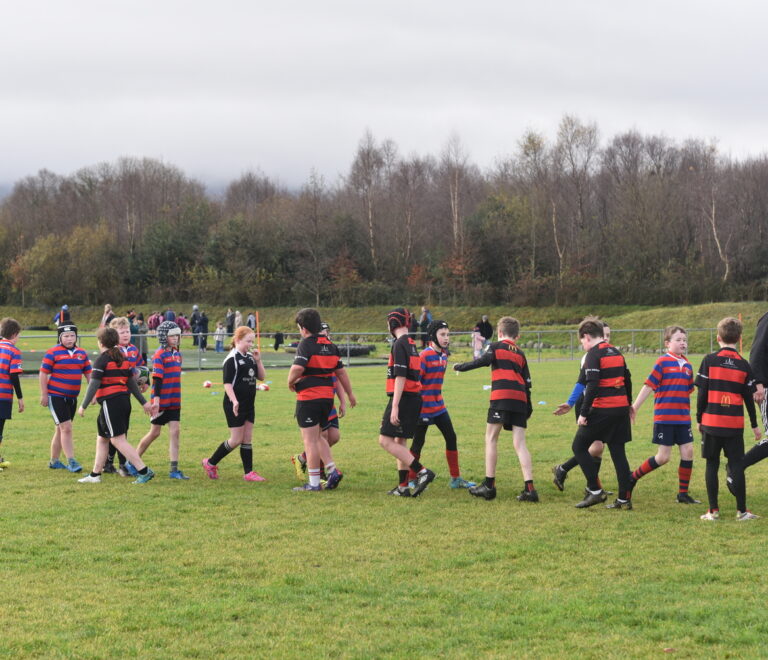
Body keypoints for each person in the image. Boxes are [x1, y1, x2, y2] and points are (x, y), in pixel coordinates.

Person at [453, 316, 537, 502]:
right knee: (520, 443)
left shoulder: (496, 347)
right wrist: (528, 407)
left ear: (499, 333)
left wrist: (460, 366)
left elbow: (483, 361)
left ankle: (489, 486)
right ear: (518, 336)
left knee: (491, 438)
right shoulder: (521, 353)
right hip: (520, 400)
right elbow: (527, 383)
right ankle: (530, 489)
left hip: (502, 398)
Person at [696, 317, 760, 521]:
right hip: (734, 425)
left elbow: (702, 394)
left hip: (712, 423)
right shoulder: (744, 365)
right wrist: (754, 424)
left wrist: (699, 418)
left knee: (712, 465)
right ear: (739, 338)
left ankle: (713, 511)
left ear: (718, 338)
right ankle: (741, 511)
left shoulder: (709, 360)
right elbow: (749, 399)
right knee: (737, 465)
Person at [628, 326, 700, 504]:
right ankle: (632, 478)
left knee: (688, 451)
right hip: (665, 418)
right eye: (678, 339)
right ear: (668, 343)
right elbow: (649, 386)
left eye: (684, 339)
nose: (683, 342)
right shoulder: (662, 362)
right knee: (663, 457)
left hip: (683, 418)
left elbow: (688, 391)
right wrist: (635, 407)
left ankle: (682, 494)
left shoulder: (688, 366)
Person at [569, 317, 633, 510]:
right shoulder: (616, 352)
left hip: (603, 410)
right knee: (618, 454)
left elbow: (593, 384)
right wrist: (628, 403)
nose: (582, 344)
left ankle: (595, 491)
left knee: (579, 446)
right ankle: (623, 499)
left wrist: (584, 412)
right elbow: (627, 379)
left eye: (581, 340)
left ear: (586, 336)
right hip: (621, 409)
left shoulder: (593, 355)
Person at [288, 310, 356, 492]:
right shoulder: (331, 346)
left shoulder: (306, 344)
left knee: (310, 440)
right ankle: (332, 470)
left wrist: (290, 381)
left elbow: (297, 368)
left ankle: (314, 483)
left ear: (303, 328)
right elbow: (341, 372)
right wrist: (349, 394)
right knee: (320, 436)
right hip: (327, 398)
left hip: (309, 397)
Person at [76, 327, 155, 484]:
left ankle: (144, 471)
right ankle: (95, 474)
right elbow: (131, 383)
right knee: (102, 438)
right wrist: (144, 402)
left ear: (100, 342)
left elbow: (93, 384)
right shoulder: (122, 358)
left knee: (117, 440)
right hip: (123, 401)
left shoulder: (102, 359)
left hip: (111, 402)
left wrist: (83, 405)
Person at [407, 319, 475, 489]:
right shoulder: (424, 356)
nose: (446, 338)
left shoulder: (444, 355)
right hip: (423, 409)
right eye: (442, 334)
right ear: (433, 336)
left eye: (448, 334)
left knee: (451, 437)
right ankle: (411, 479)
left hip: (439, 407)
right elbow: (415, 383)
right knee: (418, 442)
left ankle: (455, 479)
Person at [378, 307, 435, 497]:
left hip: (404, 398)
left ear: (392, 324)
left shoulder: (399, 344)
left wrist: (394, 406)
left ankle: (422, 471)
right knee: (399, 441)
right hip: (413, 399)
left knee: (384, 441)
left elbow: (400, 376)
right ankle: (403, 487)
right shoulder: (410, 343)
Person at [551, 322, 612, 493]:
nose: (606, 339)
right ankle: (587, 483)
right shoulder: (589, 356)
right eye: (604, 335)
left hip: (601, 406)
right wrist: (570, 403)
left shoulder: (609, 353)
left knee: (597, 449)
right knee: (595, 447)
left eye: (609, 335)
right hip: (588, 405)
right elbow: (582, 382)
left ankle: (589, 485)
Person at [202, 326, 267, 482]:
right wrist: (234, 400)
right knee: (236, 440)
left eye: (252, 341)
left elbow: (262, 377)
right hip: (234, 404)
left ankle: (249, 473)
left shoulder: (250, 357)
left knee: (247, 438)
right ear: (238, 340)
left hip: (249, 403)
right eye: (248, 341)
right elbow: (227, 384)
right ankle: (210, 463)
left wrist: (258, 361)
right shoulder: (231, 359)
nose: (250, 344)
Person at [136, 322, 188, 480]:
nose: (175, 338)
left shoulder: (177, 354)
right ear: (164, 337)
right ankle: (133, 461)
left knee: (175, 432)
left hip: (175, 400)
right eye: (172, 335)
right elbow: (157, 380)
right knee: (154, 433)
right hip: (161, 401)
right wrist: (156, 401)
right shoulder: (159, 355)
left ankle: (174, 469)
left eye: (177, 335)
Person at [39, 324, 92, 472]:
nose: (69, 339)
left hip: (72, 398)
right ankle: (72, 461)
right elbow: (43, 373)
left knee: (60, 429)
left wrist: (94, 393)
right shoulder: (53, 353)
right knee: (66, 428)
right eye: (66, 336)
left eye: (72, 336)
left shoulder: (81, 353)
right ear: (60, 337)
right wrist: (44, 394)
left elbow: (89, 374)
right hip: (56, 396)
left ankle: (54, 461)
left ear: (76, 337)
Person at [102, 316, 145, 477]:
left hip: (126, 395)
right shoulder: (113, 351)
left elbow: (141, 367)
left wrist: (144, 381)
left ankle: (109, 462)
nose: (126, 334)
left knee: (120, 430)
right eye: (121, 332)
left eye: (127, 331)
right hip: (114, 395)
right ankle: (121, 465)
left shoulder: (133, 349)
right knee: (118, 432)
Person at [0, 318, 24, 470]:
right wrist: (20, 398)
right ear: (14, 334)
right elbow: (14, 376)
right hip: (2, 396)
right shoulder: (14, 351)